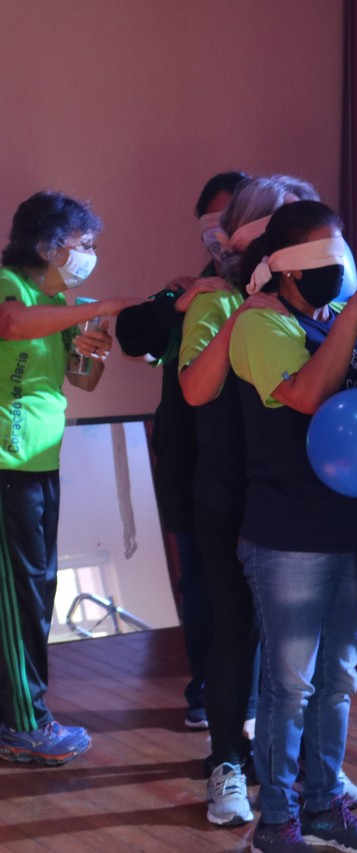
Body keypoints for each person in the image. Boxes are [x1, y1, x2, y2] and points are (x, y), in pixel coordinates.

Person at [229, 200, 357, 853]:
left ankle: (325, 804)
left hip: (349, 526)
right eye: (324, 257)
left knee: (339, 679)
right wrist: (354, 314)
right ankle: (277, 821)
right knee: (290, 685)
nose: (340, 269)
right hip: (286, 536)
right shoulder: (261, 322)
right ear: (288, 269)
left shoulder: (334, 320)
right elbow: (303, 394)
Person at [179, 174, 303, 827]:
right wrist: (242, 311)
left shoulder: (313, 299)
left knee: (295, 642)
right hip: (226, 494)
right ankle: (225, 762)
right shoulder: (217, 300)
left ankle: (297, 767)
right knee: (237, 629)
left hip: (292, 494)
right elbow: (196, 390)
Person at [0, 191, 135, 765]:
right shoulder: (10, 285)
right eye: (83, 244)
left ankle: (19, 715)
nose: (89, 255)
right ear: (46, 245)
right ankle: (24, 725)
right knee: (19, 598)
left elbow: (82, 383)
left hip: (40, 465)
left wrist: (93, 352)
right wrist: (96, 307)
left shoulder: (56, 302)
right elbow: (10, 323)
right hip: (7, 466)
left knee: (35, 593)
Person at [116, 169, 248, 733]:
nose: (219, 236)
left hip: (263, 468)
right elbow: (132, 333)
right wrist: (178, 303)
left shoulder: (282, 291)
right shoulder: (189, 291)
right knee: (201, 585)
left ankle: (255, 702)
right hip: (194, 467)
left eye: (230, 220)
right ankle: (207, 691)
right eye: (210, 226)